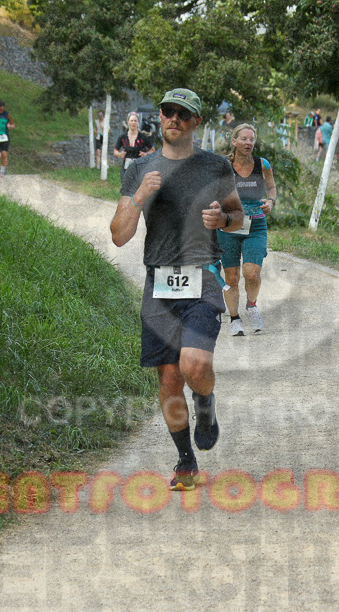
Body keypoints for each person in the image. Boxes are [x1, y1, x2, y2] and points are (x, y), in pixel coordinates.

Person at [110, 88, 244, 491]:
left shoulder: (215, 166)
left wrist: (223, 219)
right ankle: (186, 461)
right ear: (161, 117)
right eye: (168, 112)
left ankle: (205, 403)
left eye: (183, 115)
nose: (173, 119)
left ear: (195, 122)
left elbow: (239, 217)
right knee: (168, 380)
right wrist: (139, 197)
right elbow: (119, 235)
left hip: (202, 277)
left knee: (194, 366)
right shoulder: (140, 170)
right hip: (159, 283)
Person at [218, 124, 277, 337]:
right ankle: (234, 319)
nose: (248, 143)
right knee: (231, 277)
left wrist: (271, 201)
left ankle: (251, 305)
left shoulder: (262, 164)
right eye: (243, 139)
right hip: (228, 224)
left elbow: (271, 188)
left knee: (252, 274)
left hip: (256, 225)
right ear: (234, 141)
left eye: (251, 139)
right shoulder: (223, 165)